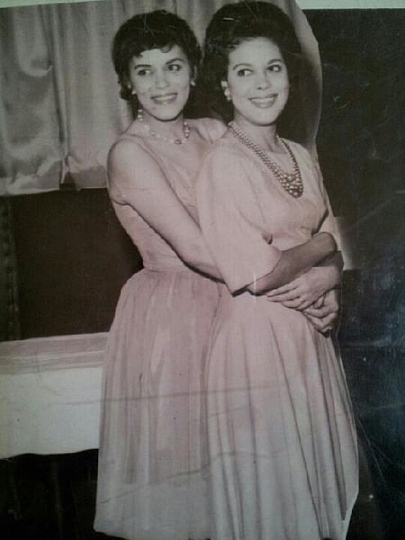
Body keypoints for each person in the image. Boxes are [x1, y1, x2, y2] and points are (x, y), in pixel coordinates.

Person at [196, 2, 359, 539]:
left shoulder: (298, 153)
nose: (262, 85)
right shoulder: (223, 163)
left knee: (319, 490)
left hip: (310, 334)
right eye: (244, 72)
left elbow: (337, 244)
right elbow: (260, 274)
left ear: (290, 73)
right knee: (275, 505)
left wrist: (331, 275)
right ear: (223, 85)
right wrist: (323, 246)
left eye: (273, 68)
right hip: (257, 347)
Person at [93, 10, 227, 540]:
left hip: (235, 296)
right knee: (185, 460)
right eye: (144, 71)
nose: (161, 83)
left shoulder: (215, 131)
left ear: (193, 70)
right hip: (175, 309)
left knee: (235, 450)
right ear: (127, 82)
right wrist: (284, 285)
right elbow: (194, 247)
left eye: (172, 66)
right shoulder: (129, 153)